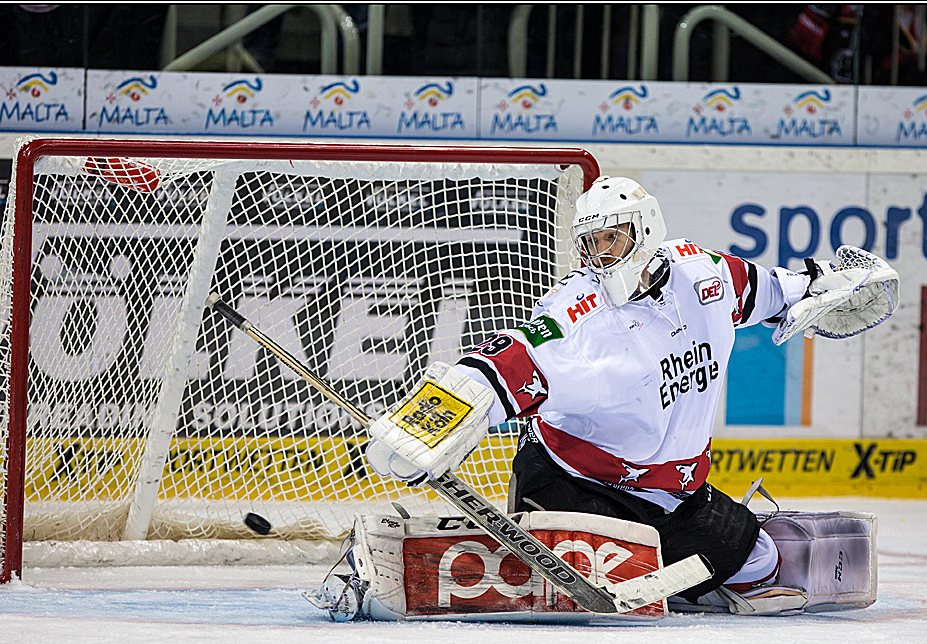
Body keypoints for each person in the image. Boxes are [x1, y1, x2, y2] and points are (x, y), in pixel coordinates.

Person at [365, 176, 878, 615]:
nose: (597, 255)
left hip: (672, 494)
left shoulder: (705, 276)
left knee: (759, 560)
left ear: (647, 228)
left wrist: (824, 285)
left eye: (611, 238)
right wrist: (422, 426)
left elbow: (773, 289)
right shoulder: (575, 315)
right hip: (573, 489)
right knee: (579, 569)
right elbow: (493, 367)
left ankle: (682, 580)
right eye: (588, 243)